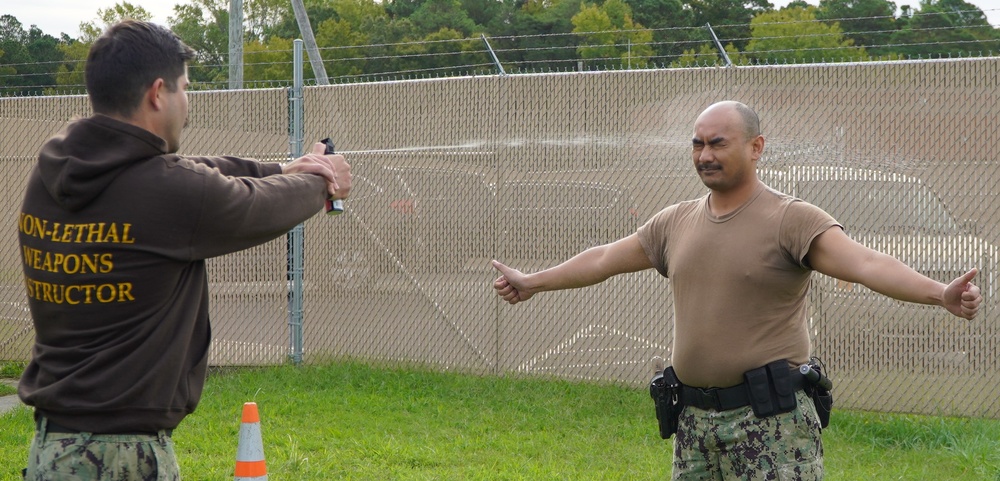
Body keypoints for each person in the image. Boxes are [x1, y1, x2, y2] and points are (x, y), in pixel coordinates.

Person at [491, 100, 982, 480]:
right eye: (698, 144)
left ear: (755, 147)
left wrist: (938, 293)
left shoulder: (792, 219)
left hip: (770, 425)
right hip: (695, 422)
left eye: (719, 143)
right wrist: (533, 282)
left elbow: (866, 262)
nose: (705, 155)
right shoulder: (675, 221)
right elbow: (602, 259)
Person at [16, 20, 351, 480]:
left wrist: (281, 166)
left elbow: (191, 172)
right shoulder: (170, 194)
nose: (186, 104)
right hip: (124, 458)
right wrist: (321, 182)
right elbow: (245, 201)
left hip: (51, 449)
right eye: (185, 89)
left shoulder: (52, 172)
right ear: (158, 94)